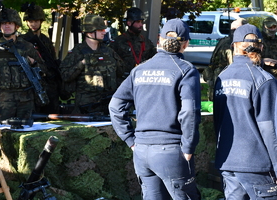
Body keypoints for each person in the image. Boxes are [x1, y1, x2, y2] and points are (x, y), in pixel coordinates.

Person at [109, 18, 201, 199]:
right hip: (171, 151)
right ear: (186, 43)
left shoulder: (139, 70)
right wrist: (189, 147)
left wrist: (131, 140)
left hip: (142, 151)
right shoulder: (186, 70)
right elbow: (189, 111)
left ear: (159, 40)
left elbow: (115, 105)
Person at [213, 24, 277, 199]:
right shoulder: (264, 80)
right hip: (258, 167)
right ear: (261, 47)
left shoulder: (222, 77)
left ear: (234, 46)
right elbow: (270, 130)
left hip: (228, 163)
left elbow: (217, 122)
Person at [0, 8, 46, 124]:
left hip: (26, 99)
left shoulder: (27, 47)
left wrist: (34, 63)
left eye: (10, 23)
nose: (6, 26)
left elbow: (44, 71)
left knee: (26, 132)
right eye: (4, 24)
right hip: (4, 99)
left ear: (17, 26)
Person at [59, 14, 124, 115]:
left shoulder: (109, 51)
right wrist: (81, 64)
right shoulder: (77, 52)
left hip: (108, 105)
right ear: (90, 32)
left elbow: (121, 73)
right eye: (100, 30)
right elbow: (65, 75)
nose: (104, 32)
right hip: (85, 107)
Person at [21, 4, 65, 114]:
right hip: (32, 80)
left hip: (49, 81)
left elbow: (52, 59)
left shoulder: (46, 40)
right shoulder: (23, 40)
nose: (33, 24)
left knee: (52, 112)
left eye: (36, 21)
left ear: (41, 21)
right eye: (30, 21)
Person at [203, 18, 247, 101]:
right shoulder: (232, 45)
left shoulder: (224, 41)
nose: (233, 31)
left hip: (217, 82)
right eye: (232, 29)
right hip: (226, 85)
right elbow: (235, 67)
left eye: (236, 29)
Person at [109, 7, 156, 77]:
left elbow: (155, 60)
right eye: (138, 22)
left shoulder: (146, 42)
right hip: (124, 81)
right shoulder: (118, 42)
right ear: (129, 23)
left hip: (142, 80)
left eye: (141, 22)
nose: (141, 25)